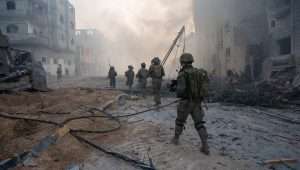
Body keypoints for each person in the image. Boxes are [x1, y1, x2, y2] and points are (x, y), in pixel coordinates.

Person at [171, 53, 210, 155]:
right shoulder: (199, 72)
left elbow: (180, 91)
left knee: (180, 121)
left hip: (186, 103)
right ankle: (205, 146)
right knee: (199, 123)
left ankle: (175, 139)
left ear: (182, 62)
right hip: (197, 102)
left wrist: (173, 88)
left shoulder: (182, 74)